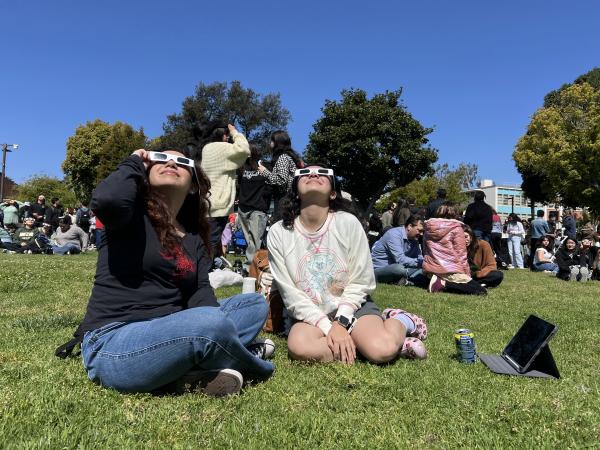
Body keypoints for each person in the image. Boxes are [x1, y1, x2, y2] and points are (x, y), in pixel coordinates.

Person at [57, 147, 274, 396]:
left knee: (253, 304)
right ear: (145, 172)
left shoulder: (194, 235)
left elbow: (200, 292)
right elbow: (107, 199)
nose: (171, 163)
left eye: (181, 162)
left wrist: (214, 326)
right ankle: (250, 362)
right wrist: (134, 159)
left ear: (193, 184)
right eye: (160, 158)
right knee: (210, 323)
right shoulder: (128, 215)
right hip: (114, 341)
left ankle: (188, 370)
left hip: (171, 328)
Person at [268, 164, 428, 363]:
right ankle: (363, 345)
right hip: (310, 313)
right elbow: (289, 292)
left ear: (334, 193)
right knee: (300, 349)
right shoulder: (278, 232)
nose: (314, 174)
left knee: (382, 350)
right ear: (295, 192)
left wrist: (340, 323)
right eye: (305, 173)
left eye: (324, 173)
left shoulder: (348, 223)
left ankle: (402, 320)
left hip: (352, 305)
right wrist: (330, 328)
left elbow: (362, 280)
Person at [197, 122, 250, 260]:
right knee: (210, 243)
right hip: (219, 204)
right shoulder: (223, 148)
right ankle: (203, 275)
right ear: (223, 134)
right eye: (227, 135)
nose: (228, 138)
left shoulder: (206, 148)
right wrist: (235, 132)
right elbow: (244, 149)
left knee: (204, 241)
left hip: (206, 201)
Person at [423, 204, 487, 295]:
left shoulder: (428, 228)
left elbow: (425, 250)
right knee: (481, 291)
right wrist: (466, 275)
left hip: (430, 270)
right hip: (450, 270)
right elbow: (461, 254)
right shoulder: (456, 228)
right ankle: (443, 284)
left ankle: (437, 281)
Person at [237, 144, 270, 273]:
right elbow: (239, 184)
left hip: (258, 208)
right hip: (243, 207)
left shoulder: (263, 166)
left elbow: (271, 182)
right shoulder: (241, 167)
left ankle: (248, 267)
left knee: (255, 239)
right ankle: (258, 263)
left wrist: (264, 197)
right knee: (248, 239)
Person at [371, 215, 427, 286]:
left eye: (423, 231)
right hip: (380, 269)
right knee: (399, 269)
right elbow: (400, 260)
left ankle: (406, 281)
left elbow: (419, 257)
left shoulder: (414, 239)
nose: (421, 234)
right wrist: (423, 263)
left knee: (426, 269)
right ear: (409, 226)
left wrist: (426, 264)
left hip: (402, 268)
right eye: (420, 230)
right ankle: (412, 280)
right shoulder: (393, 234)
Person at [258, 130, 302, 220]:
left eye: (272, 140)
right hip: (288, 199)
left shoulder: (283, 157)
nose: (270, 143)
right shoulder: (288, 156)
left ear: (277, 142)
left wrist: (264, 171)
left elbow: (281, 180)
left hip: (285, 199)